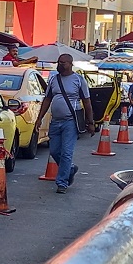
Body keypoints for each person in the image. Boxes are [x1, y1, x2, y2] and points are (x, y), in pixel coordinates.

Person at [34, 54, 95, 194]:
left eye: (63, 63)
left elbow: (87, 102)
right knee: (55, 151)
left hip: (70, 122)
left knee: (66, 153)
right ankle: (70, 169)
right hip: (55, 121)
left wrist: (90, 122)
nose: (60, 65)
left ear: (70, 64)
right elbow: (47, 99)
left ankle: (62, 183)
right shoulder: (54, 80)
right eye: (58, 62)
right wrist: (39, 118)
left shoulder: (79, 80)